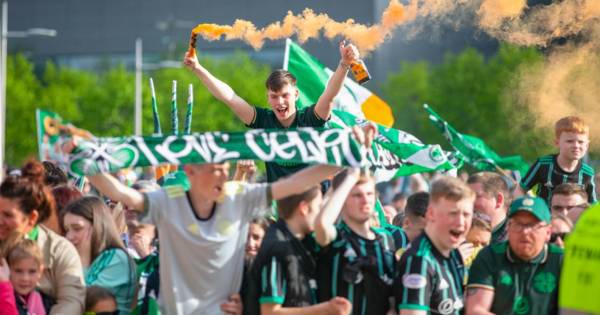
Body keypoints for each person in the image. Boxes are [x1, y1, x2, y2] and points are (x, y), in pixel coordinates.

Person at [87, 162, 343, 315]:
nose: (223, 175)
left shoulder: (238, 197)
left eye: (225, 169)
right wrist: (82, 161)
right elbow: (119, 192)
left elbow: (293, 183)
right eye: (215, 170)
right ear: (191, 172)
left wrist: (347, 160)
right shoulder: (168, 201)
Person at [183, 41, 358, 183]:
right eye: (274, 96)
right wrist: (198, 68)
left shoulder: (310, 118)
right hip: (280, 208)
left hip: (313, 205)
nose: (280, 102)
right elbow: (230, 98)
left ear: (296, 95)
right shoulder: (264, 120)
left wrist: (344, 65)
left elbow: (329, 96)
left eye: (285, 96)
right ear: (268, 98)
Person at [245, 185, 352, 315]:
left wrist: (338, 182)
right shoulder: (277, 247)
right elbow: (270, 312)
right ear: (304, 208)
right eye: (318, 208)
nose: (321, 214)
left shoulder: (302, 241)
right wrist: (325, 310)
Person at [0, 160, 85, 314]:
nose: (0, 221)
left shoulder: (59, 250)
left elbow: (72, 301)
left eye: (8, 215)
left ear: (31, 218)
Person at [315, 168, 397, 315]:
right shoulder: (336, 237)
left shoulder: (386, 240)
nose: (365, 200)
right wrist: (350, 175)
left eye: (369, 194)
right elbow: (321, 223)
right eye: (357, 195)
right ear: (343, 200)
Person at [466, 196, 562, 315]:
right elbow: (476, 310)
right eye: (518, 224)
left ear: (548, 232)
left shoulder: (561, 260)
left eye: (533, 225)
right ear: (508, 228)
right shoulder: (490, 256)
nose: (525, 231)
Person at [395, 176, 475, 315]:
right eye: (453, 213)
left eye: (467, 214)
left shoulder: (453, 253)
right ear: (431, 214)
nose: (461, 222)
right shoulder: (420, 260)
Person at [61, 196, 137, 314]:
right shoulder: (79, 257)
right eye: (67, 229)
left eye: (77, 228)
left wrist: (82, 256)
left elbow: (81, 301)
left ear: (97, 226)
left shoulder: (116, 257)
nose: (69, 236)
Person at [521, 116, 596, 204]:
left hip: (573, 217)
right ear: (557, 143)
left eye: (580, 142)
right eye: (570, 141)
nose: (576, 146)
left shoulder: (588, 173)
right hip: (546, 217)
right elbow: (521, 189)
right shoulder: (543, 164)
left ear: (587, 145)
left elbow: (592, 204)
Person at [467, 172, 510, 244]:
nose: (467, 203)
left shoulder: (514, 241)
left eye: (476, 196)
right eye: (466, 197)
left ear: (499, 200)